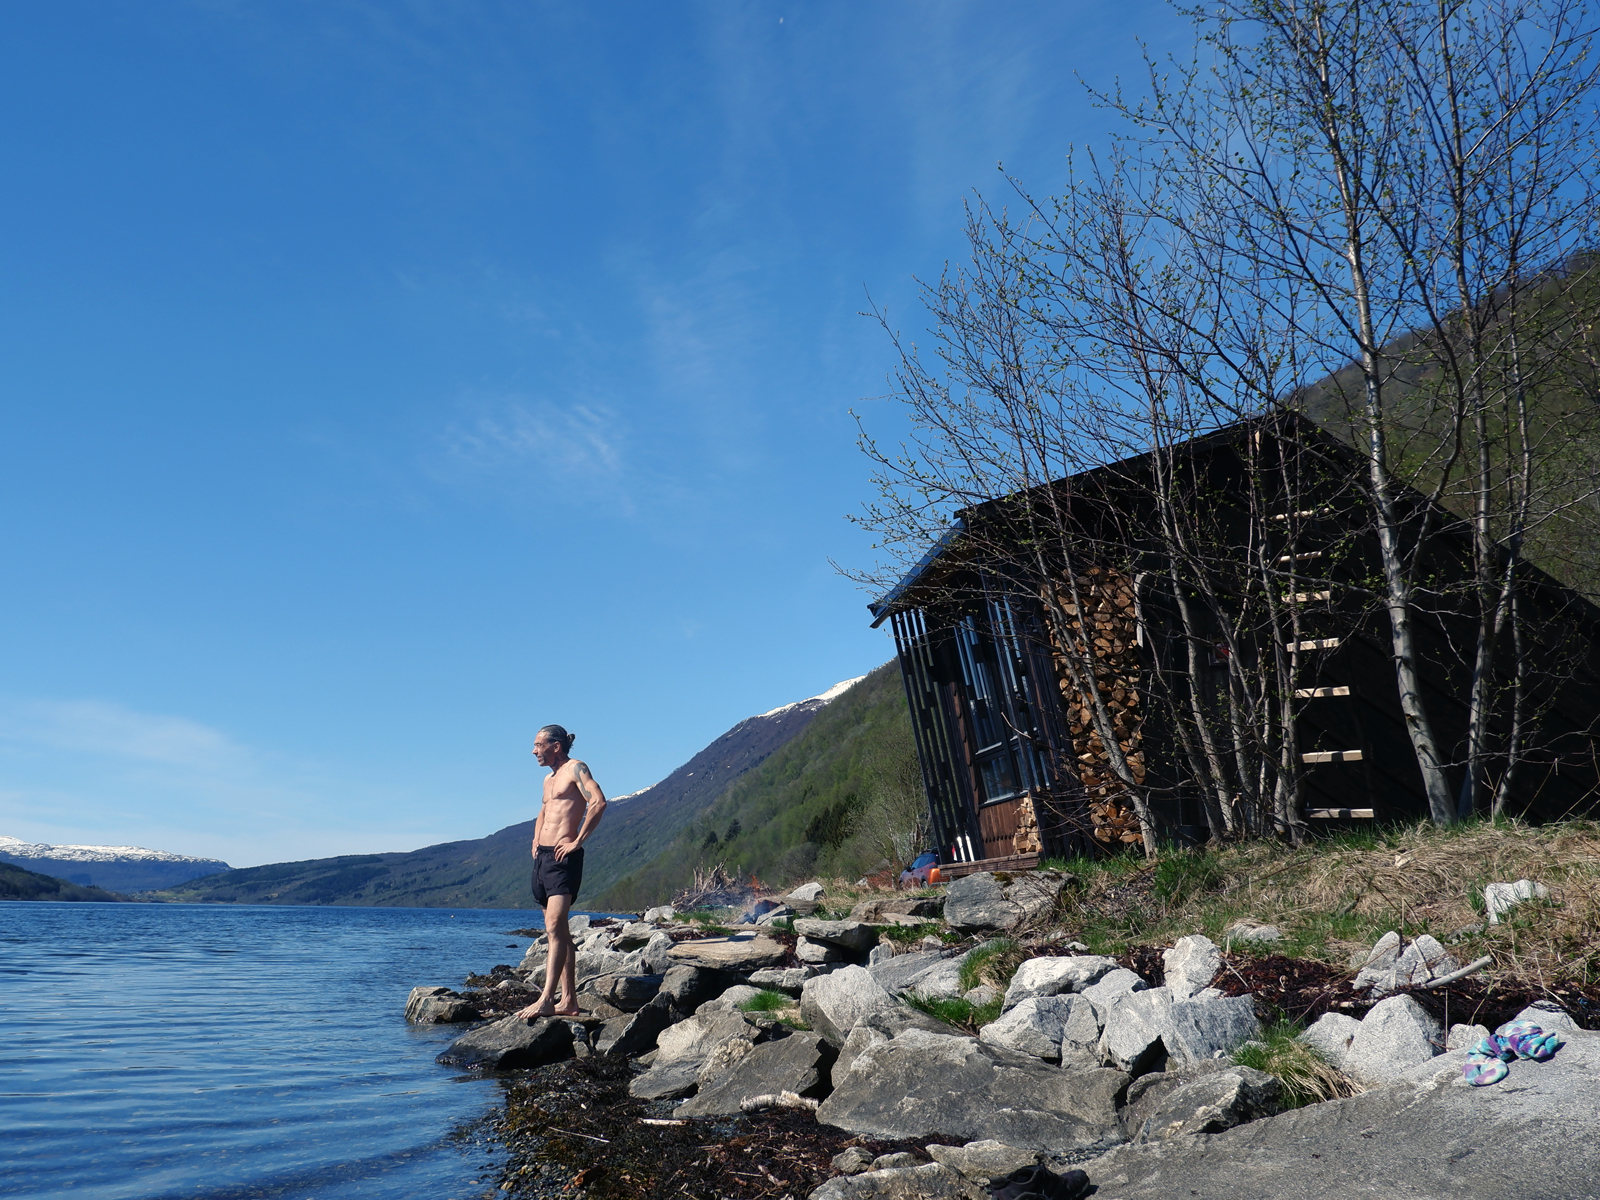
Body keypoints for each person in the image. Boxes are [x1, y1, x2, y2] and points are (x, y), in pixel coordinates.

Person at [516, 724, 607, 1019]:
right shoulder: (548, 779)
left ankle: (546, 999)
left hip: (563, 858)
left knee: (555, 927)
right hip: (542, 858)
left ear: (556, 746)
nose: (533, 751)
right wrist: (535, 838)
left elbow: (598, 801)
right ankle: (568, 1000)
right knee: (560, 932)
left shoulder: (576, 769)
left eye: (538, 745)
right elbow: (544, 810)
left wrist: (578, 840)